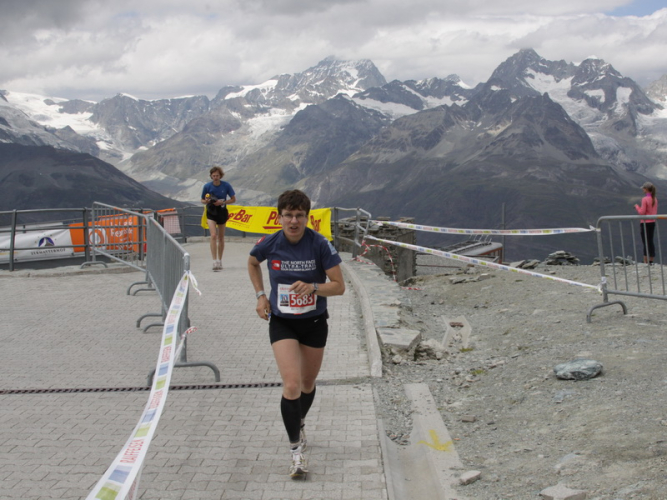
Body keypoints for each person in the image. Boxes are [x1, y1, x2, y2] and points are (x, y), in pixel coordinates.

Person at [247, 190, 345, 479]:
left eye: (299, 216)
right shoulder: (270, 242)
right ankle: (296, 452)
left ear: (307, 218)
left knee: (307, 383)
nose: (293, 221)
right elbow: (252, 262)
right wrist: (260, 295)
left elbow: (339, 286)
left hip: (314, 322)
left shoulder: (320, 244)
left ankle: (299, 420)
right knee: (291, 385)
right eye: (288, 215)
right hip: (283, 322)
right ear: (279, 217)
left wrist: (314, 287)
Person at [201, 166, 236, 271]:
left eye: (217, 175)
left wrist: (223, 202)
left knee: (221, 237)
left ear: (220, 176)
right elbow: (202, 200)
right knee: (213, 235)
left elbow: (233, 199)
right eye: (213, 176)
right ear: (211, 176)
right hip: (211, 211)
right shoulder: (207, 186)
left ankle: (220, 260)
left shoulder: (226, 185)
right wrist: (207, 201)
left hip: (222, 211)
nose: (215, 177)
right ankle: (214, 260)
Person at [634, 181, 658, 264]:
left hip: (645, 223)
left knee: (645, 242)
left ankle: (645, 260)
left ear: (646, 189)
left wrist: (636, 207)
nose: (643, 190)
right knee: (650, 241)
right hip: (652, 222)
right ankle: (651, 259)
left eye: (644, 188)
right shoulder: (654, 199)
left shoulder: (645, 199)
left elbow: (642, 212)